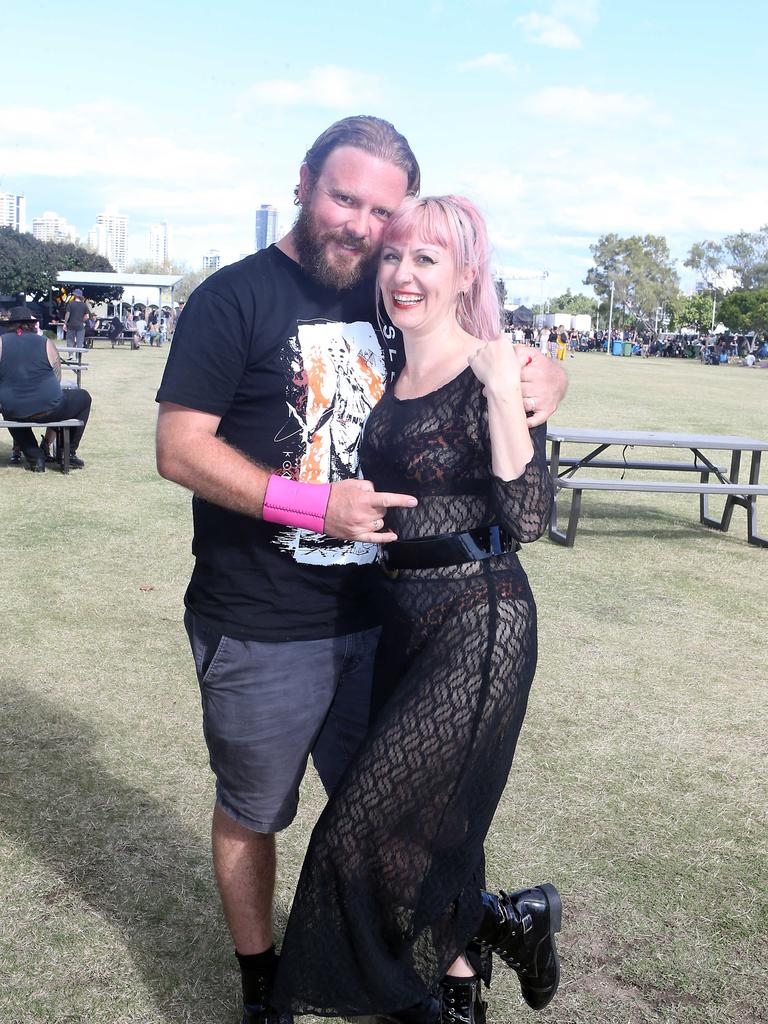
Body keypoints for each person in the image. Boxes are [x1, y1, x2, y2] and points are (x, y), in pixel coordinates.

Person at [154, 116, 568, 1024]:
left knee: (404, 823)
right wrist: (314, 506)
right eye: (345, 198)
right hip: (263, 616)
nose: (363, 226)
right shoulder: (234, 299)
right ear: (304, 183)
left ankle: (456, 958)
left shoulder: (390, 301)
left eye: (382, 212)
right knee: (256, 814)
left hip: (383, 618)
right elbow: (179, 449)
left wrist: (540, 383)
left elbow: (480, 374)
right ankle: (267, 983)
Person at [272, 196, 559, 1024]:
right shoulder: (390, 370)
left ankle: (371, 999)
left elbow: (530, 518)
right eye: (394, 257)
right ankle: (496, 938)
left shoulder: (494, 368)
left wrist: (506, 392)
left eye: (427, 260)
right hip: (401, 618)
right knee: (423, 833)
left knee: (354, 833)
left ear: (467, 274)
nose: (402, 275)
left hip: (480, 622)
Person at [0, 306, 91, 470]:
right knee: (84, 397)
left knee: (9, 412)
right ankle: (66, 453)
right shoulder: (46, 343)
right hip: (49, 407)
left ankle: (35, 457)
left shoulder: (1, 342)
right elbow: (57, 377)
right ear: (31, 324)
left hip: (14, 408)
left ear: (10, 325)